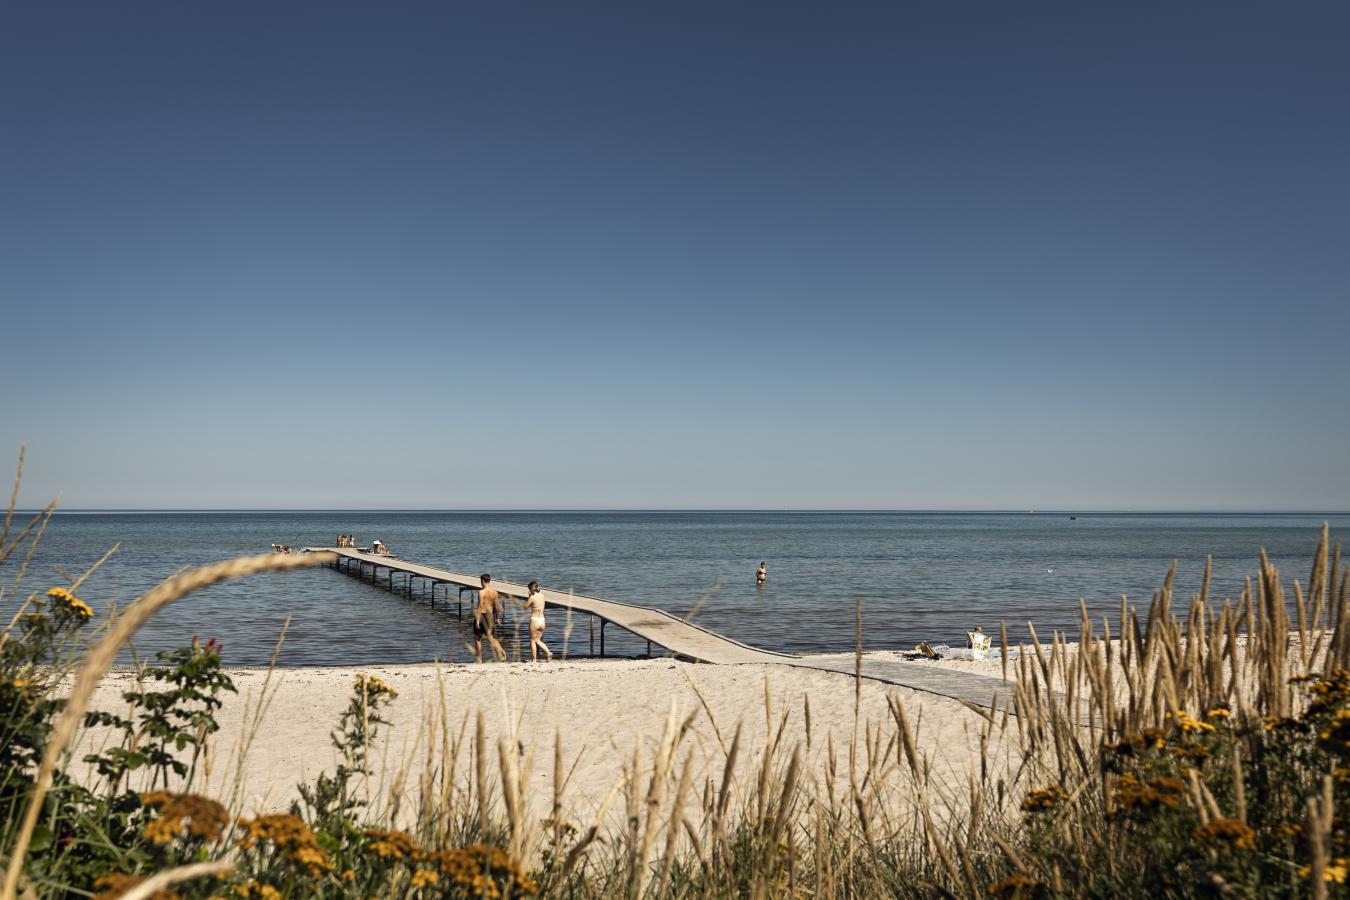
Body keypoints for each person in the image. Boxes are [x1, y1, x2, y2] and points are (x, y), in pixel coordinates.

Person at [474, 574, 506, 663]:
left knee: (478, 638)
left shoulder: (481, 592)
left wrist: (477, 620)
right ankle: (501, 651)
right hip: (490, 616)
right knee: (491, 638)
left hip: (482, 616)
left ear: (483, 581)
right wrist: (497, 618)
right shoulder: (495, 592)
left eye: (481, 581)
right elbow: (497, 607)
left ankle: (479, 659)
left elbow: (480, 606)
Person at [520, 581, 553, 662]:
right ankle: (548, 653)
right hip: (542, 620)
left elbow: (525, 607)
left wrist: (529, 597)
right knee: (537, 640)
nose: (529, 591)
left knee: (532, 640)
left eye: (529, 589)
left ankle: (534, 660)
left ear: (532, 589)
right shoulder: (542, 596)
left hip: (535, 620)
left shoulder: (532, 597)